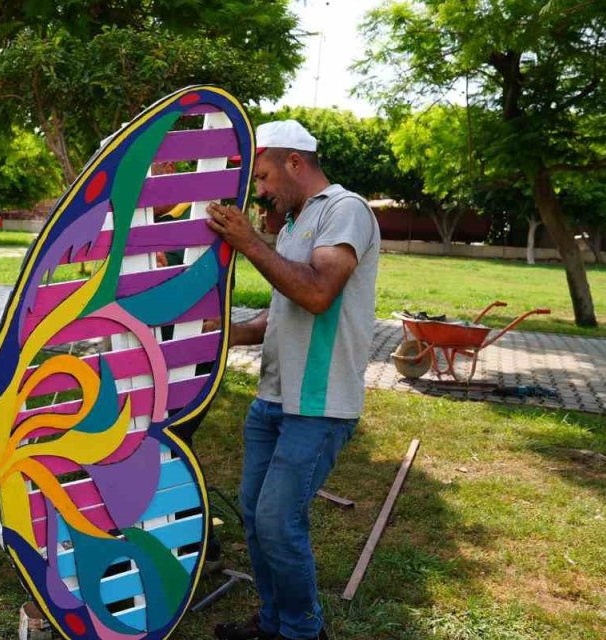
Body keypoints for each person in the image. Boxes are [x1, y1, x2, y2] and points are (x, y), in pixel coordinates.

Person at [204, 120, 381, 640]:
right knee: (257, 518)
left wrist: (248, 243)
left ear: (295, 162)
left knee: (279, 523)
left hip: (319, 404)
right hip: (273, 401)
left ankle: (303, 632)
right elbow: (281, 313)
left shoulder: (345, 210)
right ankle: (273, 623)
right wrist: (224, 333)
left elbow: (318, 293)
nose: (259, 190)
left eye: (262, 176)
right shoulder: (293, 226)